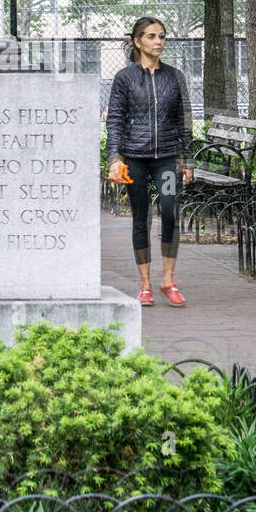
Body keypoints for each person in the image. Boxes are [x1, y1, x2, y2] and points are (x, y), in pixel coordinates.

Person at [105, 16, 194, 307]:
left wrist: (187, 159)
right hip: (135, 159)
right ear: (137, 41)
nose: (158, 42)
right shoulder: (124, 78)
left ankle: (168, 280)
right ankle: (145, 285)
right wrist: (115, 159)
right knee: (141, 218)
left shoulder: (175, 76)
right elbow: (115, 121)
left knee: (169, 212)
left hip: (167, 158)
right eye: (152, 36)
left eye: (162, 37)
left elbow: (185, 120)